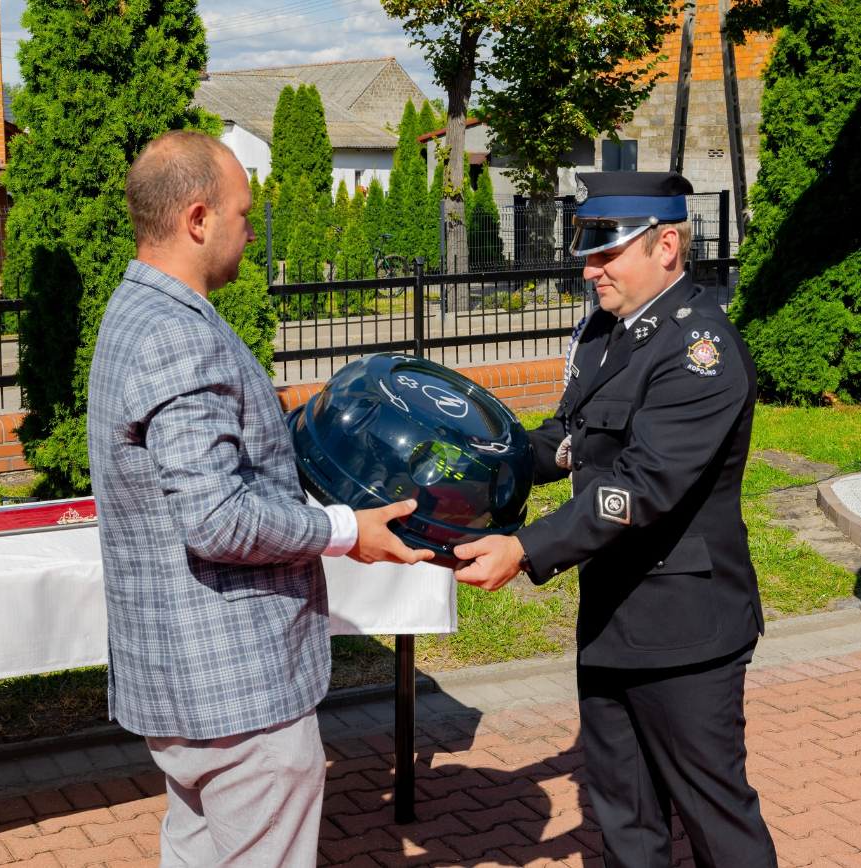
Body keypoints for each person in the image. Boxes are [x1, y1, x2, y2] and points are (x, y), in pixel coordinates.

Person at [87, 130, 432, 867]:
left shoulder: (132, 311)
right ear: (198, 218)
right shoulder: (179, 336)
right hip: (235, 692)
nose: (252, 225)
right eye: (244, 212)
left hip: (183, 686)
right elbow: (216, 516)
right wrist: (344, 529)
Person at [454, 172, 777, 868]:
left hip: (684, 628)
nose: (588, 266)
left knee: (716, 820)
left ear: (666, 246)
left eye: (607, 252)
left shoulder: (702, 352)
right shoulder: (607, 332)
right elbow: (568, 438)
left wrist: (525, 548)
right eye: (588, 249)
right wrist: (480, 459)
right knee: (624, 818)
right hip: (611, 613)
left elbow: (639, 489)